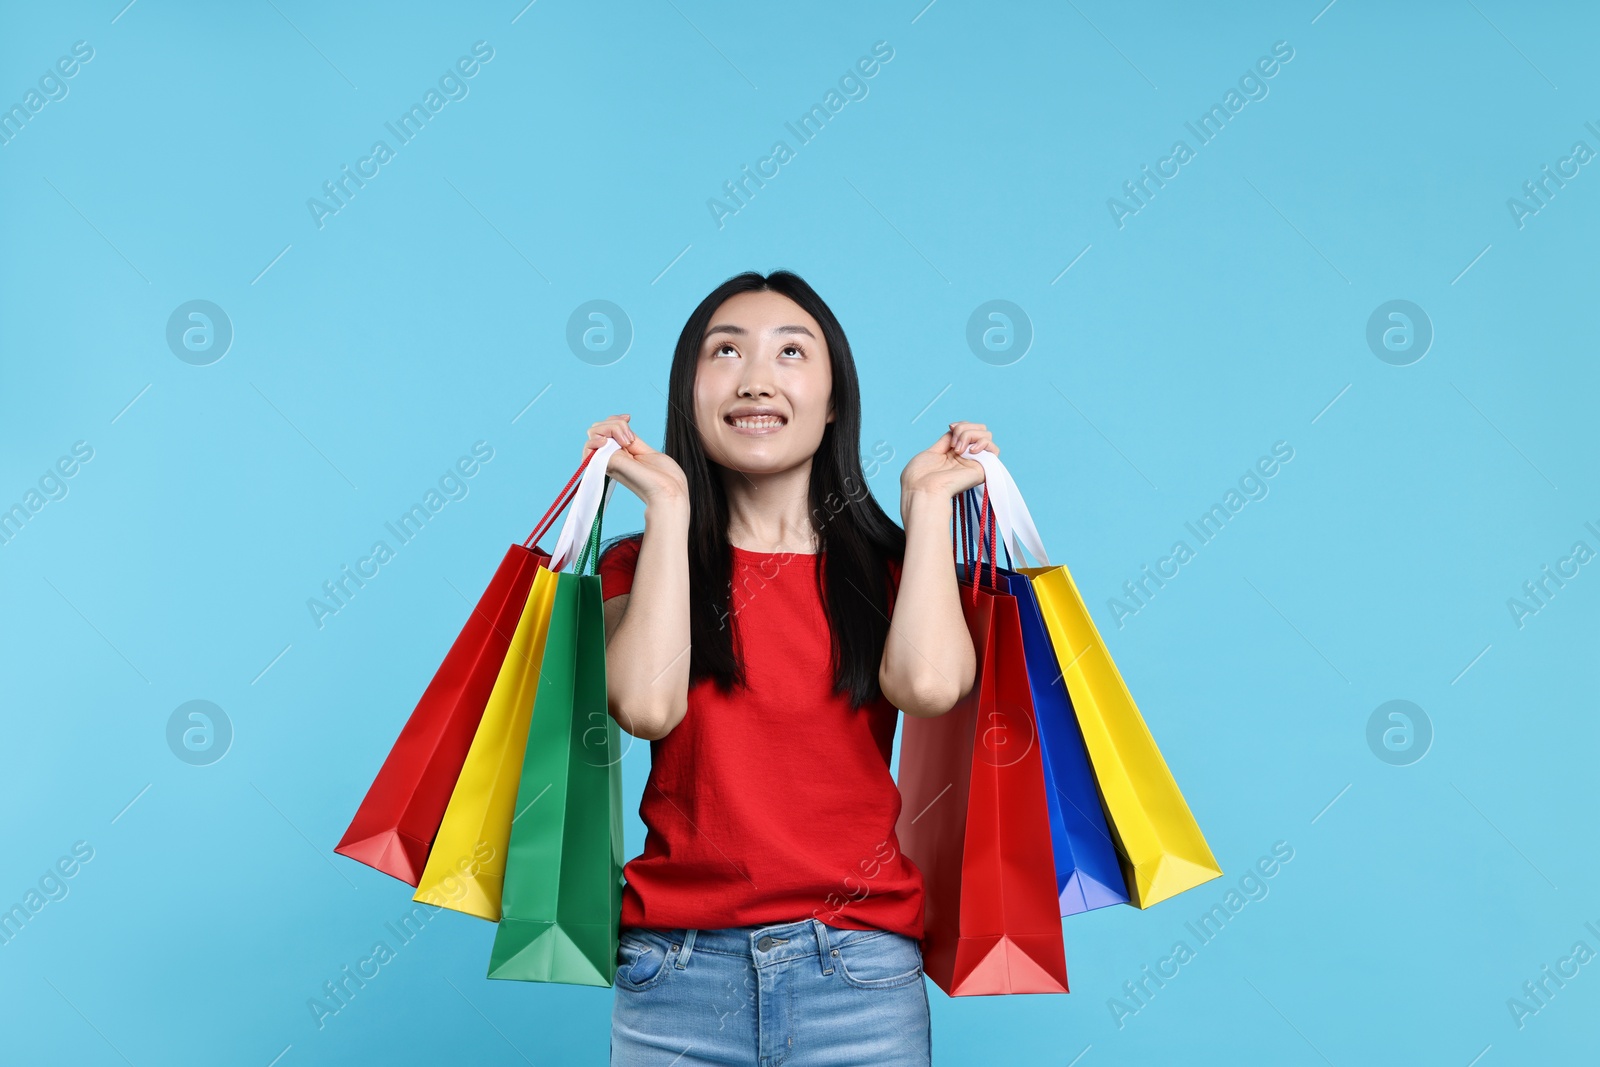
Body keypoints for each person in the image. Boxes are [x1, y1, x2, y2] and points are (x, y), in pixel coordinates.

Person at [591, 270, 999, 1066]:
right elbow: (643, 706)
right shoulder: (641, 564)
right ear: (689, 390)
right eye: (725, 351)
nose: (755, 378)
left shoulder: (889, 568)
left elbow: (931, 687)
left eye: (790, 352)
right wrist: (668, 510)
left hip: (858, 976)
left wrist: (925, 513)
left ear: (834, 396)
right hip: (674, 975)